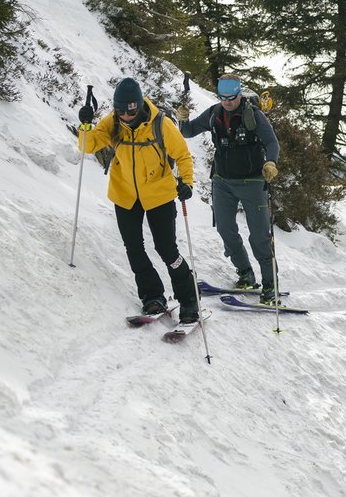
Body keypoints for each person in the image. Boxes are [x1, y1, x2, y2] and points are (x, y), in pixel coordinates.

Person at [76, 77, 199, 323]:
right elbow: (88, 146)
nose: (125, 116)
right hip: (125, 195)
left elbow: (183, 155)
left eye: (129, 112)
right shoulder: (113, 122)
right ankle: (152, 296)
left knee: (167, 249)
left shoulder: (160, 124)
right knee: (134, 248)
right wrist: (86, 125)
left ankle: (189, 298)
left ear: (139, 106)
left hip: (159, 195)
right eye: (120, 111)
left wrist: (186, 182)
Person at [176, 74, 281, 303]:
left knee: (260, 236)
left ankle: (270, 283)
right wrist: (182, 120)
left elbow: (272, 142)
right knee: (225, 229)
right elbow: (188, 131)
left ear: (238, 94)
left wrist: (271, 162)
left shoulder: (254, 115)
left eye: (231, 98)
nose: (227, 102)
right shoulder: (214, 113)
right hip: (222, 182)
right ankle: (245, 273)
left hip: (253, 182)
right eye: (223, 97)